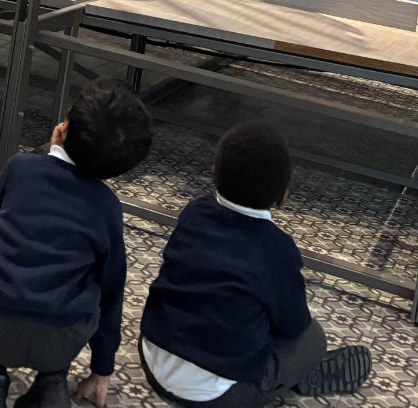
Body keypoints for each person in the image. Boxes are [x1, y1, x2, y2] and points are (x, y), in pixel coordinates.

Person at [0, 81, 153, 408]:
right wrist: (102, 370)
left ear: (62, 128)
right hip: (62, 340)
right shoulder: (107, 207)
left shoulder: (19, 168)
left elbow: (11, 216)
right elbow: (112, 291)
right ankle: (51, 384)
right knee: (83, 283)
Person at [139, 121, 372, 408]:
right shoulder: (278, 250)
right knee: (312, 337)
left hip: (152, 358)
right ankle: (290, 380)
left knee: (240, 311)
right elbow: (293, 325)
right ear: (283, 195)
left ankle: (282, 372)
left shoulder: (194, 213)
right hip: (217, 396)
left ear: (213, 173)